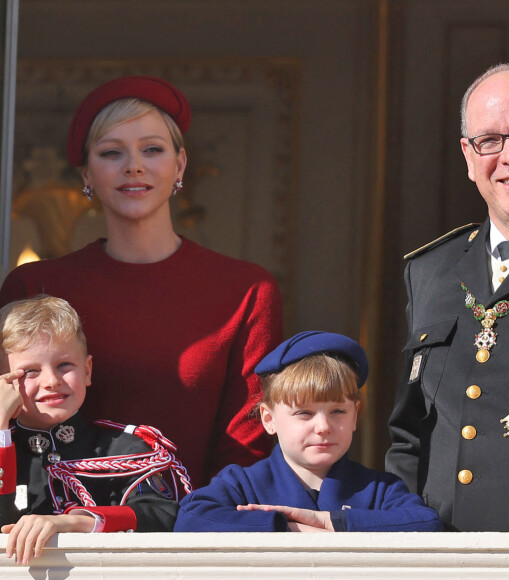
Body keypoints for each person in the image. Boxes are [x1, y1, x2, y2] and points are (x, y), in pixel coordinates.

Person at [0, 76, 284, 487]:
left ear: (180, 165)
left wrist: (196, 526)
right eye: (111, 152)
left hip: (199, 531)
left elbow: (250, 441)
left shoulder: (247, 290)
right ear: (86, 173)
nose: (133, 165)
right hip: (57, 533)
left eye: (152, 149)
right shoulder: (35, 285)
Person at [385, 63, 509, 531]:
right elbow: (409, 437)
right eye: (489, 141)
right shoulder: (430, 271)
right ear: (469, 157)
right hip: (442, 554)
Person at [174, 331, 442, 532]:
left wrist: (328, 521)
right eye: (304, 413)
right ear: (269, 419)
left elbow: (426, 523)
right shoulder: (243, 483)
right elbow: (191, 518)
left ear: (355, 416)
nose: (323, 427)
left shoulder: (378, 489)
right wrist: (287, 527)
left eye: (338, 411)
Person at [0, 296, 189, 565]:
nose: (52, 381)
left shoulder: (128, 450)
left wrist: (74, 522)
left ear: (87, 370)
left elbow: (164, 514)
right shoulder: (7, 450)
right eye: (30, 371)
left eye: (64, 365)